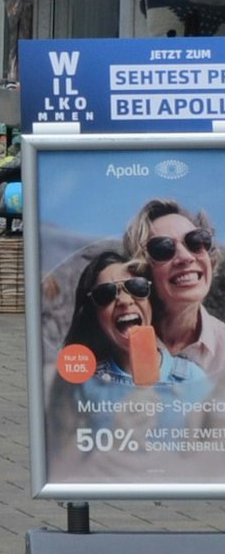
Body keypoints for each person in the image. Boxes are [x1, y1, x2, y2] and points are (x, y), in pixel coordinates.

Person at [46, 252, 217, 483]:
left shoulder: (192, 380)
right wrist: (116, 439)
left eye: (136, 287)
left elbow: (212, 464)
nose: (125, 300)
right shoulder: (81, 384)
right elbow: (60, 471)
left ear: (151, 302)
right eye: (105, 294)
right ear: (94, 315)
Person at [122, 200, 225, 375]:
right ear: (143, 270)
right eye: (163, 249)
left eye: (196, 241)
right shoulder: (119, 343)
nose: (185, 257)